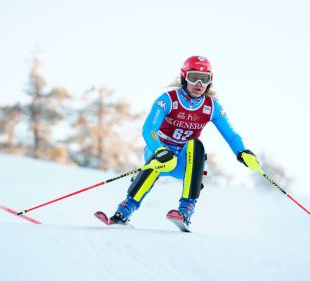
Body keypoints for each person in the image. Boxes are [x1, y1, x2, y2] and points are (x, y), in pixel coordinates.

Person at [108, 55, 264, 226]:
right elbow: (149, 129)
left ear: (210, 82)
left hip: (185, 160)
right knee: (158, 153)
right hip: (162, 155)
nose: (198, 83)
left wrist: (242, 152)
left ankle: (185, 211)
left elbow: (232, 136)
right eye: (193, 77)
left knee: (196, 145)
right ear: (184, 78)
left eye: (204, 79)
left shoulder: (212, 108)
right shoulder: (168, 100)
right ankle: (124, 210)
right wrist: (159, 150)